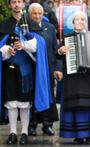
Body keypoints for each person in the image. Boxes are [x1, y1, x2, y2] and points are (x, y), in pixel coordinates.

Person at [0, 0, 52, 145]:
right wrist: (6, 50)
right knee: (11, 101)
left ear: (23, 4)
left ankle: (24, 132)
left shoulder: (31, 22)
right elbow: (0, 46)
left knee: (24, 102)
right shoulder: (4, 24)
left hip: (26, 70)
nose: (16, 5)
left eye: (19, 2)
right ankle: (12, 132)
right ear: (10, 5)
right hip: (9, 68)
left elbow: (39, 44)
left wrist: (25, 45)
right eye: (13, 2)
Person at [56, 11, 90, 145]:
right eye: (77, 19)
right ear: (72, 22)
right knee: (76, 106)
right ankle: (78, 135)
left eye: (82, 19)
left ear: (86, 22)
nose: (80, 22)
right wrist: (60, 51)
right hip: (73, 77)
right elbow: (59, 57)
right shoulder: (67, 38)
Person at [28, 2, 59, 137]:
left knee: (48, 96)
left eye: (39, 13)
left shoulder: (50, 28)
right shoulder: (25, 28)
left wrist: (58, 68)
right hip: (32, 69)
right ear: (29, 14)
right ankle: (32, 125)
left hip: (48, 69)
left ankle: (48, 125)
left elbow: (55, 50)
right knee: (32, 96)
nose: (37, 16)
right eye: (34, 13)